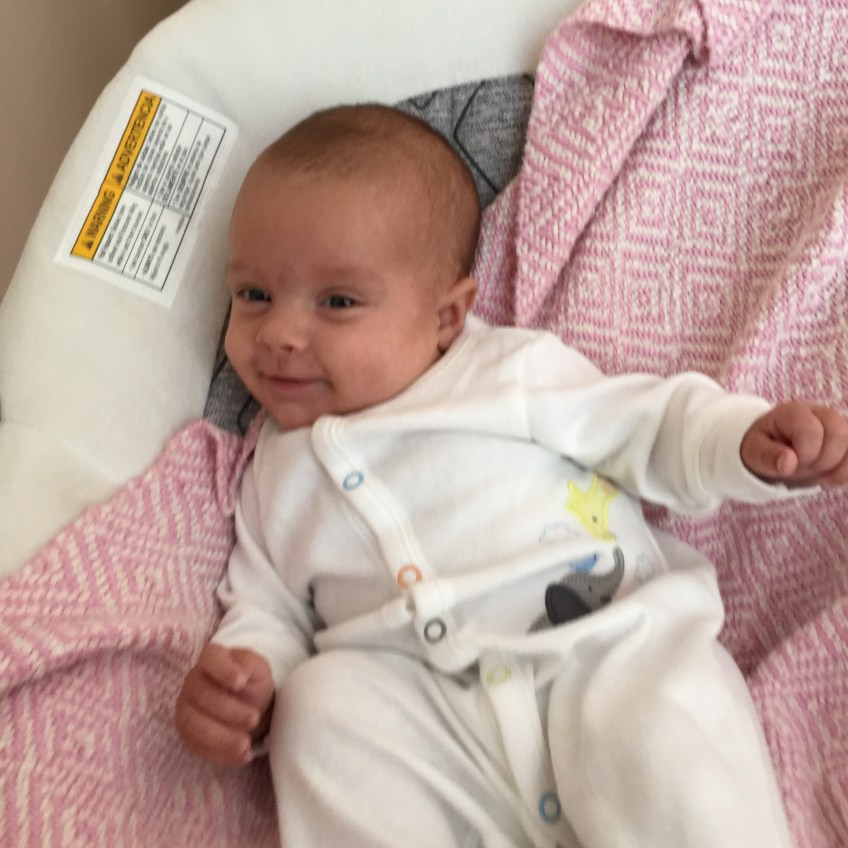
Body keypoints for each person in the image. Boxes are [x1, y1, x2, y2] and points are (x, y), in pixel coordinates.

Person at [176, 103, 848, 848]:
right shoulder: (269, 473)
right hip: (431, 725)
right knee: (321, 706)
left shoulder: (508, 375)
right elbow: (267, 606)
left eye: (338, 302)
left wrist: (742, 442)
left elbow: (645, 426)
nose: (278, 333)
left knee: (663, 721)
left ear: (445, 317)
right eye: (253, 295)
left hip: (599, 652)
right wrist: (251, 681)